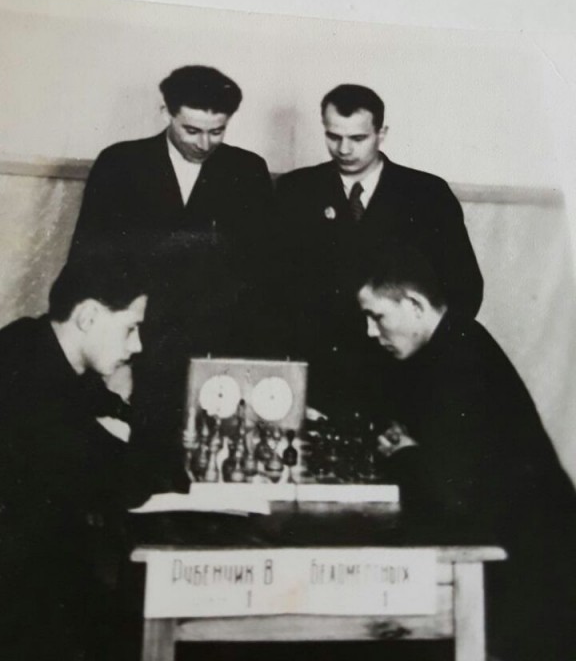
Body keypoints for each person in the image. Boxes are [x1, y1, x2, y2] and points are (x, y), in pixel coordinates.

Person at [355, 246, 576, 661]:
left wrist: (402, 455)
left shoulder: (458, 361)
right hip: (524, 553)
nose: (370, 331)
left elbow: (452, 493)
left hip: (532, 568)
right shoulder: (454, 343)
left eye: (377, 316)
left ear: (415, 305)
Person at [70, 65, 275, 479]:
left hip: (217, 359)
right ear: (165, 111)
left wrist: (249, 369)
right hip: (135, 352)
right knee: (131, 472)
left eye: (217, 132)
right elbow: (88, 265)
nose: (204, 143)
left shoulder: (248, 171)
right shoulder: (119, 164)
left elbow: (262, 277)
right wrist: (110, 361)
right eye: (191, 130)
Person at [275, 83, 483, 408]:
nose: (344, 149)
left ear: (381, 133)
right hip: (319, 376)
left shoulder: (427, 194)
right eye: (333, 136)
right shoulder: (295, 190)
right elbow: (274, 286)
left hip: (403, 375)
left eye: (358, 138)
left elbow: (463, 289)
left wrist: (428, 362)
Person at [0, 260, 151, 661]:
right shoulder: (29, 378)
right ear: (88, 317)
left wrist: (119, 421)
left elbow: (110, 417)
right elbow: (119, 479)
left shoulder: (33, 343)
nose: (137, 346)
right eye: (130, 328)